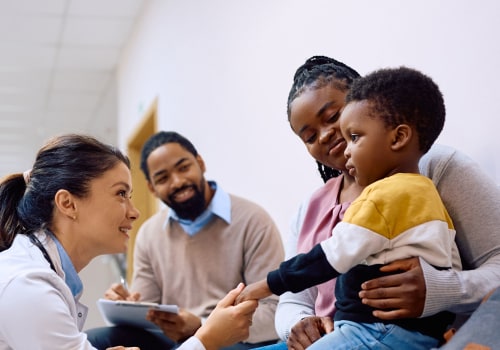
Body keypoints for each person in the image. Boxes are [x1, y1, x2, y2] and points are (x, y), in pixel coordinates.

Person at [271, 56, 500, 350]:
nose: (326, 135)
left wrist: (440, 289)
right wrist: (298, 325)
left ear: (363, 100)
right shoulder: (310, 209)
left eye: (332, 117)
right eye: (310, 136)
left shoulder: (436, 168)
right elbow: (293, 298)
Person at [86, 131, 284, 350]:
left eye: (183, 168)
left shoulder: (253, 220)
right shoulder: (149, 233)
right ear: (152, 188)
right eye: (163, 178)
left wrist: (201, 327)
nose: (178, 182)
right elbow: (147, 312)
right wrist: (126, 307)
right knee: (96, 341)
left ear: (200, 163)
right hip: (172, 340)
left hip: (233, 340)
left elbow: (274, 311)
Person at [0, 134, 140, 350]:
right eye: (121, 193)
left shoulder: (42, 272)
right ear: (68, 203)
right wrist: (205, 339)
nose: (134, 213)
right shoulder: (27, 285)